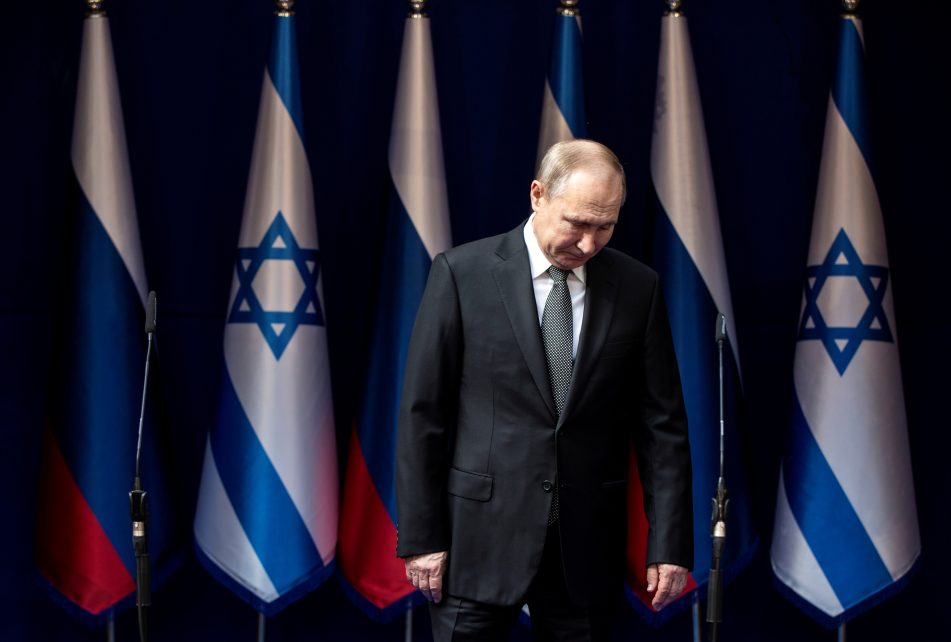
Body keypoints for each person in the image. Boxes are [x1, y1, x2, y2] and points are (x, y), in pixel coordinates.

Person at [396, 139, 692, 641]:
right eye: (577, 223)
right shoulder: (462, 274)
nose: (588, 243)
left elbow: (662, 427)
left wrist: (669, 543)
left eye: (605, 226)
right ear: (538, 195)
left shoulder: (638, 287)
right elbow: (423, 415)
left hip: (585, 547)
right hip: (477, 544)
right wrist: (421, 537)